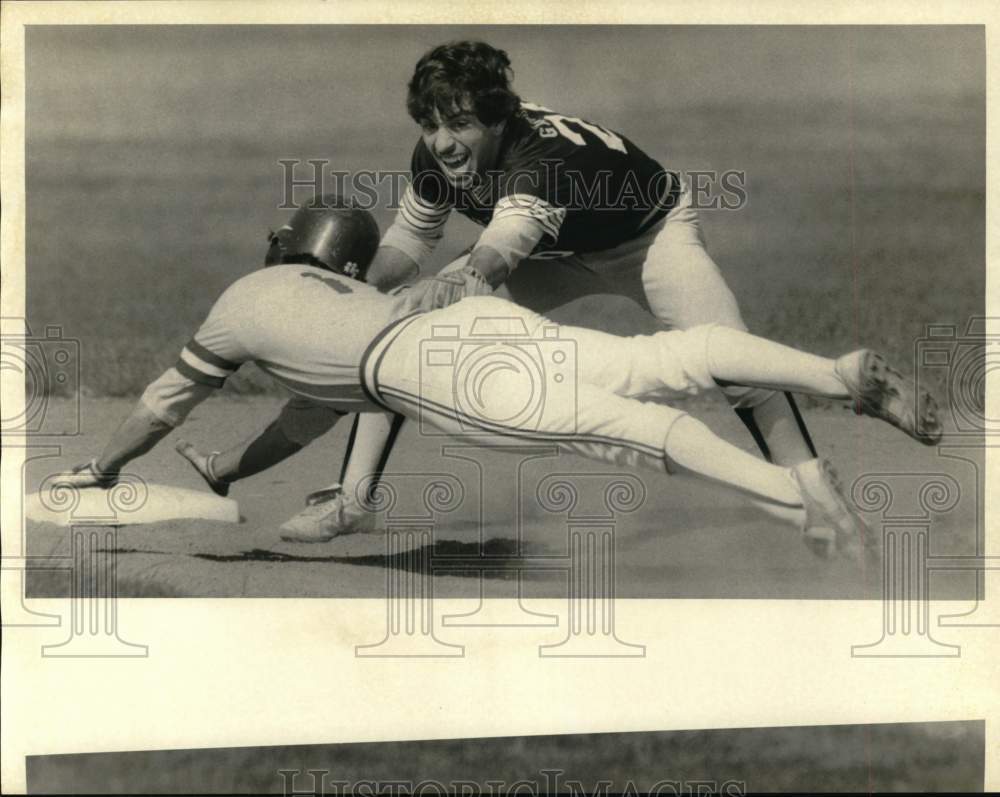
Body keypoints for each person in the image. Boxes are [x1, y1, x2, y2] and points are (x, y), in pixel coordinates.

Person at [57, 199, 942, 563]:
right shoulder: (356, 297)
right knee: (657, 362)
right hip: (472, 321)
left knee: (626, 432)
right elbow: (307, 416)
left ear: (287, 249)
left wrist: (102, 471)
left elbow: (162, 401)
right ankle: (833, 371)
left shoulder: (245, 299)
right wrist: (232, 473)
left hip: (434, 373)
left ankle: (804, 507)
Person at [281, 40, 858, 537]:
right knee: (401, 331)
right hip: (551, 251)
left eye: (459, 124)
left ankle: (818, 496)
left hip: (647, 236)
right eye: (430, 124)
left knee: (735, 357)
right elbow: (409, 240)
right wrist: (348, 286)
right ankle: (355, 502)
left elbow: (502, 248)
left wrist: (461, 280)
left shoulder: (541, 157)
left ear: (499, 119)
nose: (442, 140)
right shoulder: (435, 155)